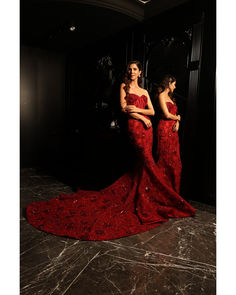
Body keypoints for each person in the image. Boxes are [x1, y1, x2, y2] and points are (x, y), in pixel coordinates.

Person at [26, 62, 195, 241]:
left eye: (135, 69)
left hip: (148, 129)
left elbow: (152, 112)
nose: (131, 72)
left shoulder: (145, 92)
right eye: (129, 69)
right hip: (135, 127)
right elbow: (124, 108)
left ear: (140, 72)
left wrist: (138, 110)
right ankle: (165, 197)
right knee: (146, 160)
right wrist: (140, 115)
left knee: (142, 165)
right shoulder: (124, 86)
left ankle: (150, 195)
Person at [155, 74, 183, 194]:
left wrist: (177, 122)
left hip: (173, 133)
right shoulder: (162, 96)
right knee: (164, 160)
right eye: (174, 84)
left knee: (175, 163)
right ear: (169, 83)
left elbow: (176, 116)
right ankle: (162, 192)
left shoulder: (171, 98)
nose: (175, 87)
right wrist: (177, 117)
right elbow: (166, 115)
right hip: (164, 130)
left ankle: (173, 192)